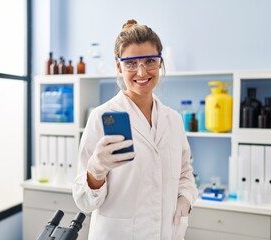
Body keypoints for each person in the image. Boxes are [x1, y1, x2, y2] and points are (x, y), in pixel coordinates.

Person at [73, 19, 198, 240]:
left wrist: (185, 199)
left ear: (160, 63)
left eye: (150, 60)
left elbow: (185, 172)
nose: (141, 72)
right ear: (119, 66)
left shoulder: (174, 120)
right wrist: (96, 171)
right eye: (131, 63)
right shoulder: (101, 117)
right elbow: (83, 200)